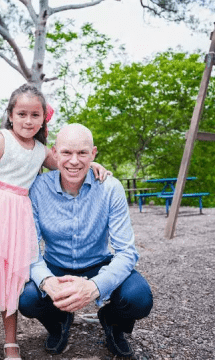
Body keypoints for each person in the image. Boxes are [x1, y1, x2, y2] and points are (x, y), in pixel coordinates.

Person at [0, 85, 109, 360]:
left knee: (13, 279)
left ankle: (11, 342)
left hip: (18, 220)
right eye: (22, 114)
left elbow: (71, 162)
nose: (28, 121)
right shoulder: (0, 139)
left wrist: (96, 165)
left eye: (35, 115)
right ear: (10, 114)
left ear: (43, 119)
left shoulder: (41, 150)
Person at [18, 123, 153, 358]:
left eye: (82, 153)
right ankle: (58, 321)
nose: (74, 161)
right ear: (55, 153)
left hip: (97, 263)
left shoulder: (111, 188)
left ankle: (112, 322)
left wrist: (95, 286)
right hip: (55, 265)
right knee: (27, 298)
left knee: (139, 298)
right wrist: (47, 281)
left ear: (93, 153)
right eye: (67, 152)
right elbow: (30, 248)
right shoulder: (38, 189)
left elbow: (127, 253)